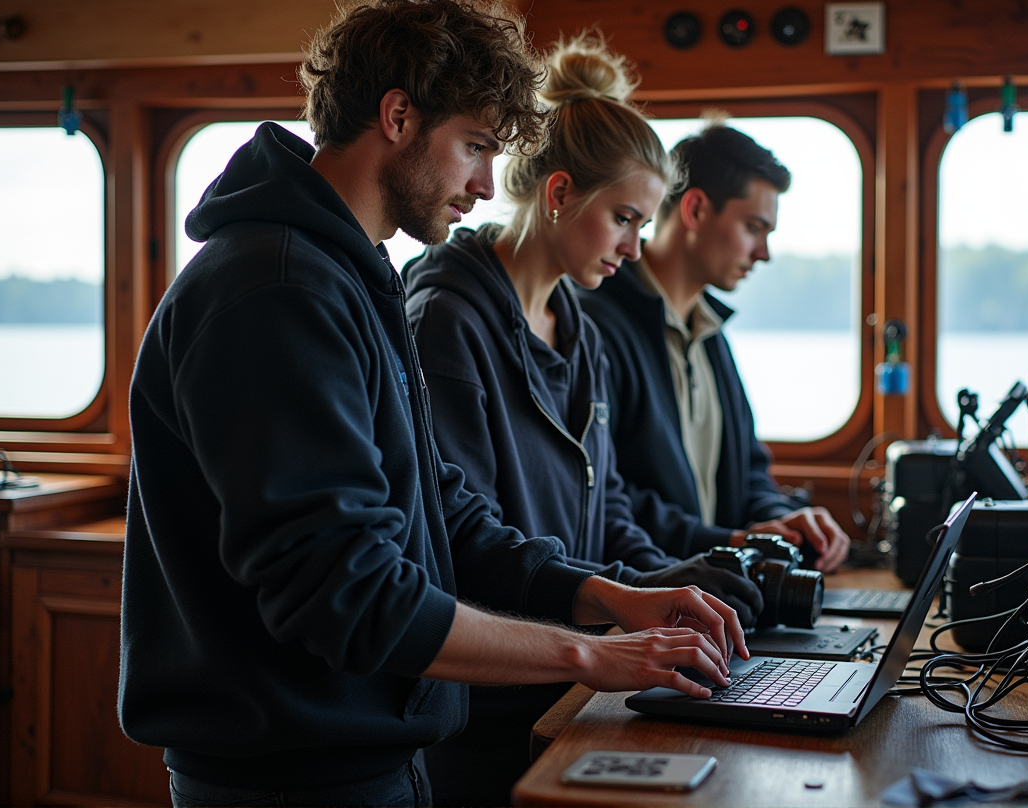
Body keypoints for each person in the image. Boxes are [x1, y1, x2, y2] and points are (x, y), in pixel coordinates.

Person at [118, 4, 745, 806]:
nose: (485, 186)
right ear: (398, 115)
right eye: (476, 147)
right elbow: (348, 592)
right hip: (293, 780)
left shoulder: (352, 273)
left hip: (375, 756)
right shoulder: (275, 291)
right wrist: (587, 655)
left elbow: (438, 507)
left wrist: (605, 597)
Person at [401, 36, 763, 805]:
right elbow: (463, 538)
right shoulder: (446, 320)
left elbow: (610, 511)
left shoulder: (581, 328)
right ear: (560, 192)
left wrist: (668, 588)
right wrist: (615, 603)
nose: (637, 248)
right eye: (626, 219)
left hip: (580, 680)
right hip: (492, 698)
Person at [578, 123, 853, 572]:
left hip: (714, 591)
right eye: (753, 227)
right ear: (696, 209)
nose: (763, 252)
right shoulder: (597, 325)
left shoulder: (712, 334)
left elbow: (747, 470)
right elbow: (605, 497)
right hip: (642, 599)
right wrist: (729, 541)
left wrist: (778, 517)